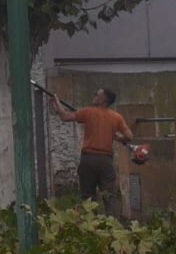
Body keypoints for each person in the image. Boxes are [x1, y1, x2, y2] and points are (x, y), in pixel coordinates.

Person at [52, 87, 133, 217]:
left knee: (87, 197)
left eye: (97, 94)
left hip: (88, 160)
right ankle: (112, 226)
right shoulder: (116, 117)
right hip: (105, 161)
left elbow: (65, 116)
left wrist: (56, 102)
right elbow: (129, 136)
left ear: (103, 100)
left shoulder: (87, 112)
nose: (94, 95)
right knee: (109, 196)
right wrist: (119, 138)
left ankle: (91, 225)